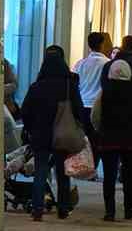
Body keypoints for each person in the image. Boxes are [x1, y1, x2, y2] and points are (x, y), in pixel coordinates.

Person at [19, 46, 90, 221]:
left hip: (40, 134)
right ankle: (63, 208)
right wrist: (80, 127)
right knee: (62, 172)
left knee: (40, 171)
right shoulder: (68, 85)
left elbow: (25, 110)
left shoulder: (37, 86)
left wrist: (30, 128)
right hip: (62, 133)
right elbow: (78, 109)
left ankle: (37, 209)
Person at [92, 59, 132, 221]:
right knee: (129, 175)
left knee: (109, 176)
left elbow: (95, 114)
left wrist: (100, 129)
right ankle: (130, 208)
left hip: (108, 138)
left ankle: (110, 211)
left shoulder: (104, 92)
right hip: (130, 138)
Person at [72, 32, 111, 110]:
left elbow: (74, 84)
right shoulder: (108, 64)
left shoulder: (80, 64)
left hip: (82, 103)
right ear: (102, 44)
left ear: (89, 45)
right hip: (99, 105)